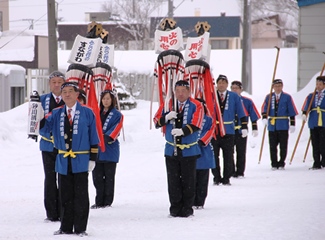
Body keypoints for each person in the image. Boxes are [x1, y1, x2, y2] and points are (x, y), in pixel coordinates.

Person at [40, 82, 99, 236]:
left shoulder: (87, 112)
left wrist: (93, 158)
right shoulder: (56, 113)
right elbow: (43, 128)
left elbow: (94, 136)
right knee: (64, 194)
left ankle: (80, 228)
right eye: (64, 92)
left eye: (70, 91)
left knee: (80, 194)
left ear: (76, 94)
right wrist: (36, 111)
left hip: (81, 159)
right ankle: (65, 227)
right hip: (63, 160)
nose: (66, 94)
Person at [153, 80, 203, 218]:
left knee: (188, 180)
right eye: (178, 91)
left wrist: (183, 131)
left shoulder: (196, 105)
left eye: (183, 91)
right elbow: (156, 121)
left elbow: (197, 123)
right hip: (171, 149)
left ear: (188, 91)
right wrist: (166, 117)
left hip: (189, 150)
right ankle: (175, 208)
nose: (180, 94)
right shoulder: (168, 104)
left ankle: (187, 208)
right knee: (173, 181)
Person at [211, 74, 247, 186]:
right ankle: (216, 177)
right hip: (214, 131)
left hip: (229, 130)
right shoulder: (211, 95)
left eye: (223, 82)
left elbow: (241, 111)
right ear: (217, 84)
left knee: (228, 155)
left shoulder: (234, 96)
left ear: (227, 84)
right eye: (219, 82)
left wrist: (244, 126)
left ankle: (226, 178)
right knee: (214, 155)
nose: (221, 85)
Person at [91, 89, 124, 209]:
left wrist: (103, 137)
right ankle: (99, 200)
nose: (106, 101)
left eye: (108, 99)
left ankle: (107, 201)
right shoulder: (95, 113)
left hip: (110, 149)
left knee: (109, 177)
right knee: (97, 177)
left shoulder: (117, 115)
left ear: (112, 100)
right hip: (97, 150)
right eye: (104, 98)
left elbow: (116, 129)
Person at [40, 71, 65, 222]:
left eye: (60, 82)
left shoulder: (70, 99)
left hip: (65, 147)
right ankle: (51, 212)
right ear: (49, 84)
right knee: (50, 178)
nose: (57, 85)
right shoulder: (42, 100)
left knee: (64, 178)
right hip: (47, 145)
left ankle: (64, 210)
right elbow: (35, 123)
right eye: (54, 82)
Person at [261, 79, 298, 170]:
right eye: (276, 86)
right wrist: (264, 117)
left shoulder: (287, 97)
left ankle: (281, 162)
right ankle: (274, 163)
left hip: (283, 124)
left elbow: (291, 110)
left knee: (283, 145)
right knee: (272, 145)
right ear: (273, 87)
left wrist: (292, 123)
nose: (277, 88)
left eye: (279, 86)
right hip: (272, 125)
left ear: (282, 86)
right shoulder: (269, 97)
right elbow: (264, 108)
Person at [231, 80, 261, 178]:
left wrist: (254, 128)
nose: (234, 90)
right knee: (229, 152)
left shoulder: (247, 101)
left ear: (241, 89)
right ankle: (230, 171)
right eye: (233, 88)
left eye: (236, 88)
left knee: (241, 151)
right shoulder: (228, 100)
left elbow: (253, 114)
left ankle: (240, 171)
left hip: (241, 129)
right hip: (230, 130)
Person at [193, 99, 215, 209]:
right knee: (190, 178)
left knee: (202, 178)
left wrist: (201, 141)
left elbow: (211, 131)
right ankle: (190, 200)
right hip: (190, 149)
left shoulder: (208, 119)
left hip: (203, 150)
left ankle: (200, 201)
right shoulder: (189, 119)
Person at [301, 75, 325, 169]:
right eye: (317, 84)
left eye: (320, 84)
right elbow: (306, 105)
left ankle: (324, 160)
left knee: (323, 143)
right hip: (314, 121)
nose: (318, 86)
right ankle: (316, 162)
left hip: (323, 121)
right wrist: (304, 113)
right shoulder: (311, 96)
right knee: (315, 143)